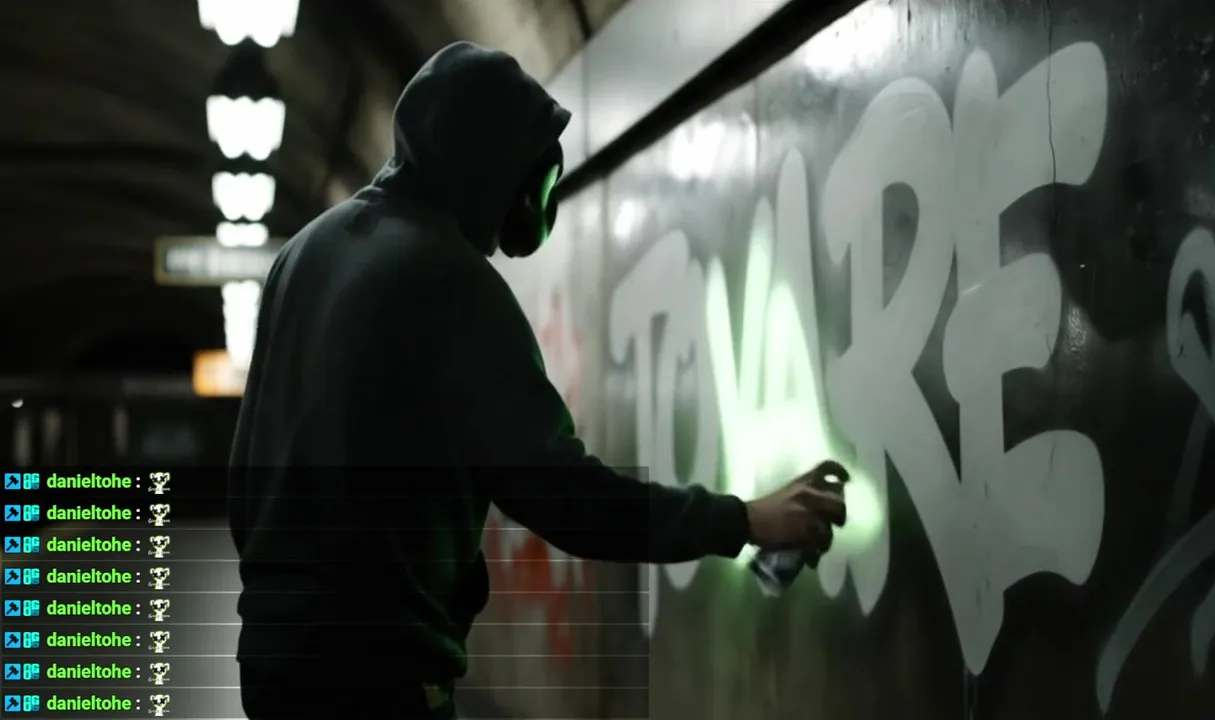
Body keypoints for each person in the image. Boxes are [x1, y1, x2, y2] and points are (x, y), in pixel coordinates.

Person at [227, 41, 848, 720]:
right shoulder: (451, 281)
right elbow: (564, 495)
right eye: (538, 183)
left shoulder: (302, 254)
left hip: (272, 665)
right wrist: (744, 520)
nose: (536, 208)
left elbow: (246, 477)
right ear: (493, 167)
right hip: (375, 680)